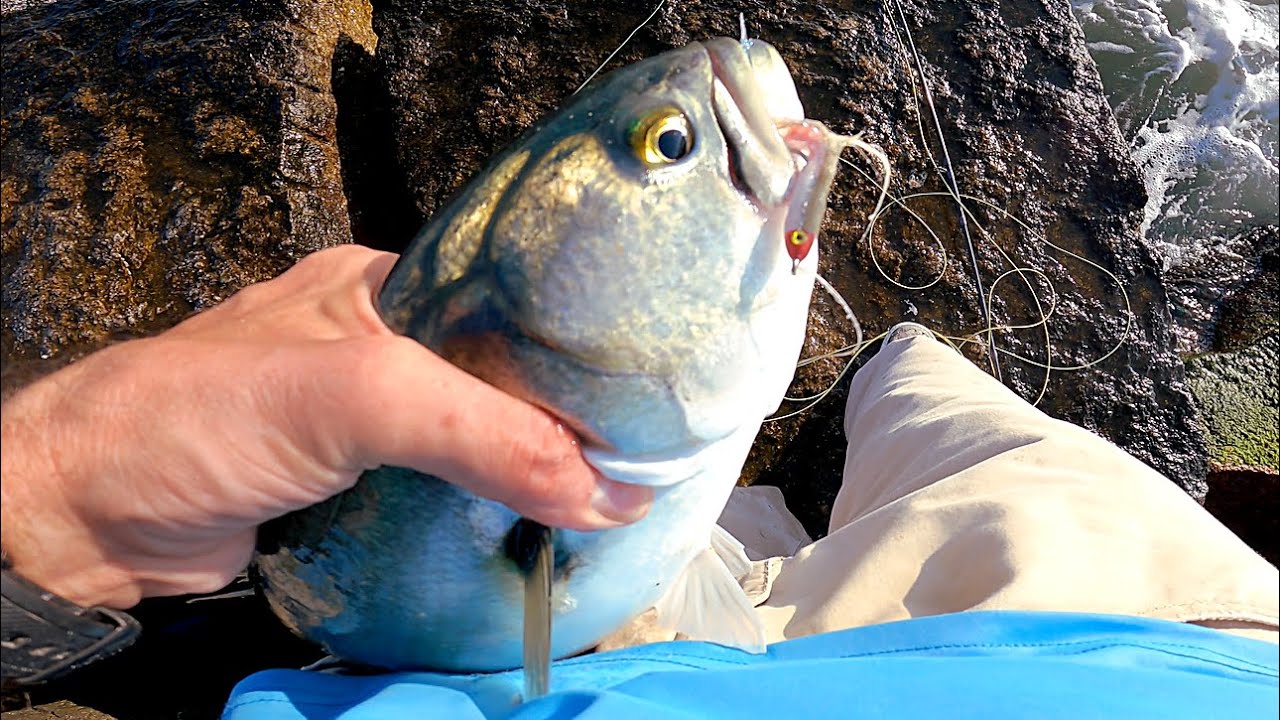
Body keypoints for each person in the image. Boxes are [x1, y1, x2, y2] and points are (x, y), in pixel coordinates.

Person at [2, 246, 1276, 718]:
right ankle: (876, 384)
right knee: (972, 423)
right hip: (1184, 650)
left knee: (876, 463)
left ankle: (820, 448)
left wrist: (49, 497)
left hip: (614, 648)